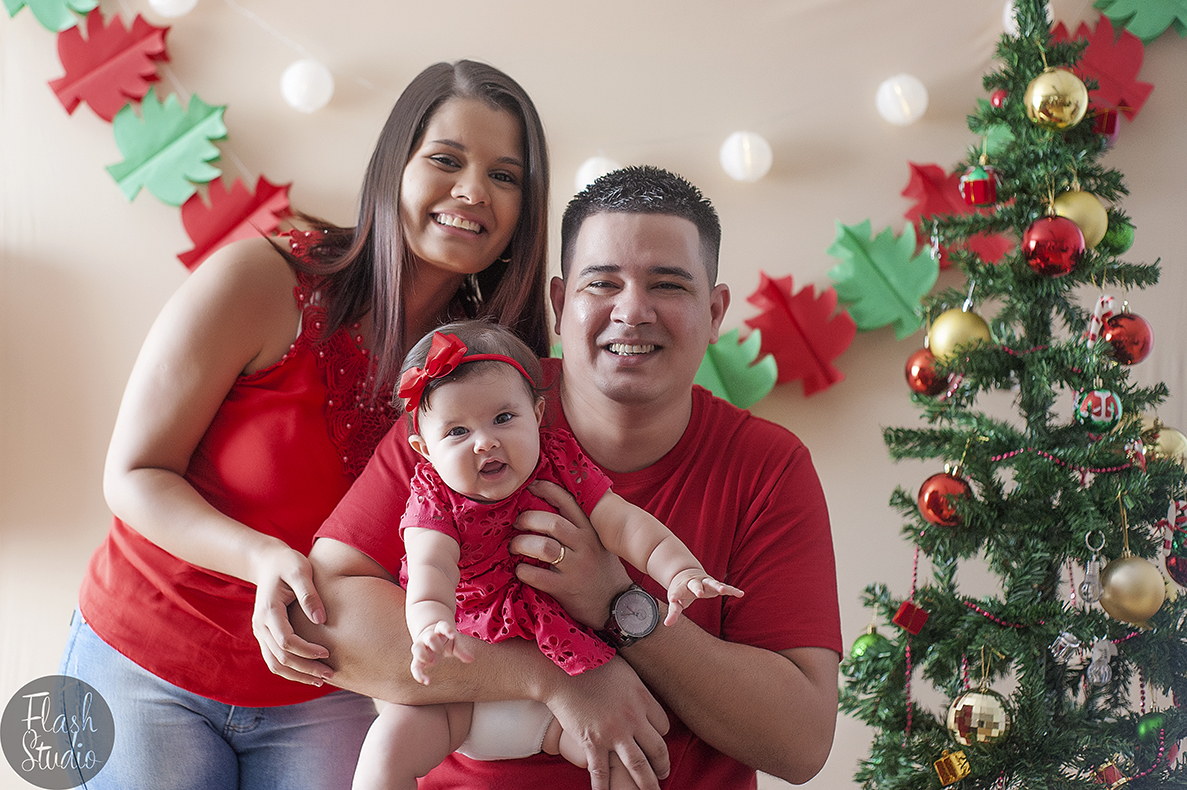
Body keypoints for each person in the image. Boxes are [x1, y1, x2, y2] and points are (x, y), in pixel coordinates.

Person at [59, 59, 552, 790]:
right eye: (446, 160)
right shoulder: (260, 283)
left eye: (504, 177)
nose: (472, 191)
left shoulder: (495, 375)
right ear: (394, 167)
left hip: (329, 692)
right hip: (145, 661)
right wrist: (261, 558)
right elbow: (133, 475)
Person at [298, 165, 842, 790]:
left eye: (667, 284)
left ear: (715, 311)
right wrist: (556, 675)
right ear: (559, 304)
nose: (633, 311)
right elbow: (324, 620)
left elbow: (800, 743)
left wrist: (615, 604)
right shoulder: (466, 411)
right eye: (602, 283)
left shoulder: (768, 467)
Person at [351, 320, 742, 790]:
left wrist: (679, 570)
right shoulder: (435, 499)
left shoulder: (562, 466)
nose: (485, 442)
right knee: (385, 748)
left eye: (503, 418)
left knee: (625, 758)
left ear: (537, 414)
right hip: (468, 685)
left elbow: (627, 525)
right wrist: (431, 623)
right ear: (424, 451)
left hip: (568, 675)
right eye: (457, 431)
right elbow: (431, 567)